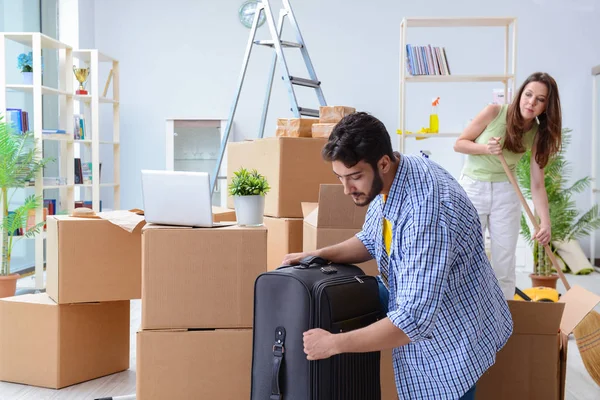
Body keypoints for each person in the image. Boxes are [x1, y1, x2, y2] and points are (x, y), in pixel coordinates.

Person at [282, 112, 513, 400]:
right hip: (425, 307)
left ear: (383, 163)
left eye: (354, 177)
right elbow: (371, 239)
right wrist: (319, 254)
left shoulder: (427, 214)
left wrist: (334, 344)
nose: (346, 189)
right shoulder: (396, 175)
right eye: (340, 177)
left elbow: (411, 321)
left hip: (453, 336)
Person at [454, 72, 562, 299]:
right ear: (520, 93)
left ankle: (503, 324)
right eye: (528, 94)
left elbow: (537, 183)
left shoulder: (537, 134)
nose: (531, 102)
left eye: (540, 99)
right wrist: (486, 149)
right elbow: (460, 144)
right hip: (473, 188)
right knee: (465, 255)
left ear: (546, 107)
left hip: (506, 191)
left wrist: (545, 222)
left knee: (504, 261)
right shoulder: (494, 112)